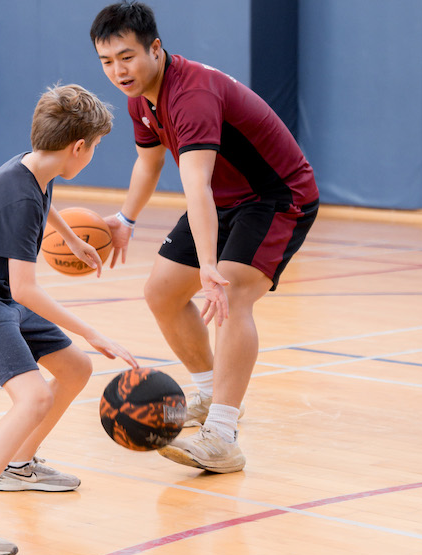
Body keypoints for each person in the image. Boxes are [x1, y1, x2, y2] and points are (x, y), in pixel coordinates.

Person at [90, 2, 319, 474]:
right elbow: (150, 161)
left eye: (127, 57)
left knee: (230, 294)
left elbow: (195, 183)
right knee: (161, 293)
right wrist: (125, 219)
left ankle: (222, 434)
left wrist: (211, 266)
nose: (119, 71)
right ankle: (214, 390)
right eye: (107, 61)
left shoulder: (191, 93)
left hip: (276, 195)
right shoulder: (141, 98)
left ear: (156, 47)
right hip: (226, 197)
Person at [0, 84, 138, 555]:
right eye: (95, 147)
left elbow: (44, 198)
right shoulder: (18, 197)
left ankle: (19, 468)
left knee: (75, 368)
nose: (93, 154)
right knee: (32, 396)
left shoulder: (36, 164)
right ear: (77, 147)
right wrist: (93, 331)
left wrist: (69, 237)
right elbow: (26, 291)